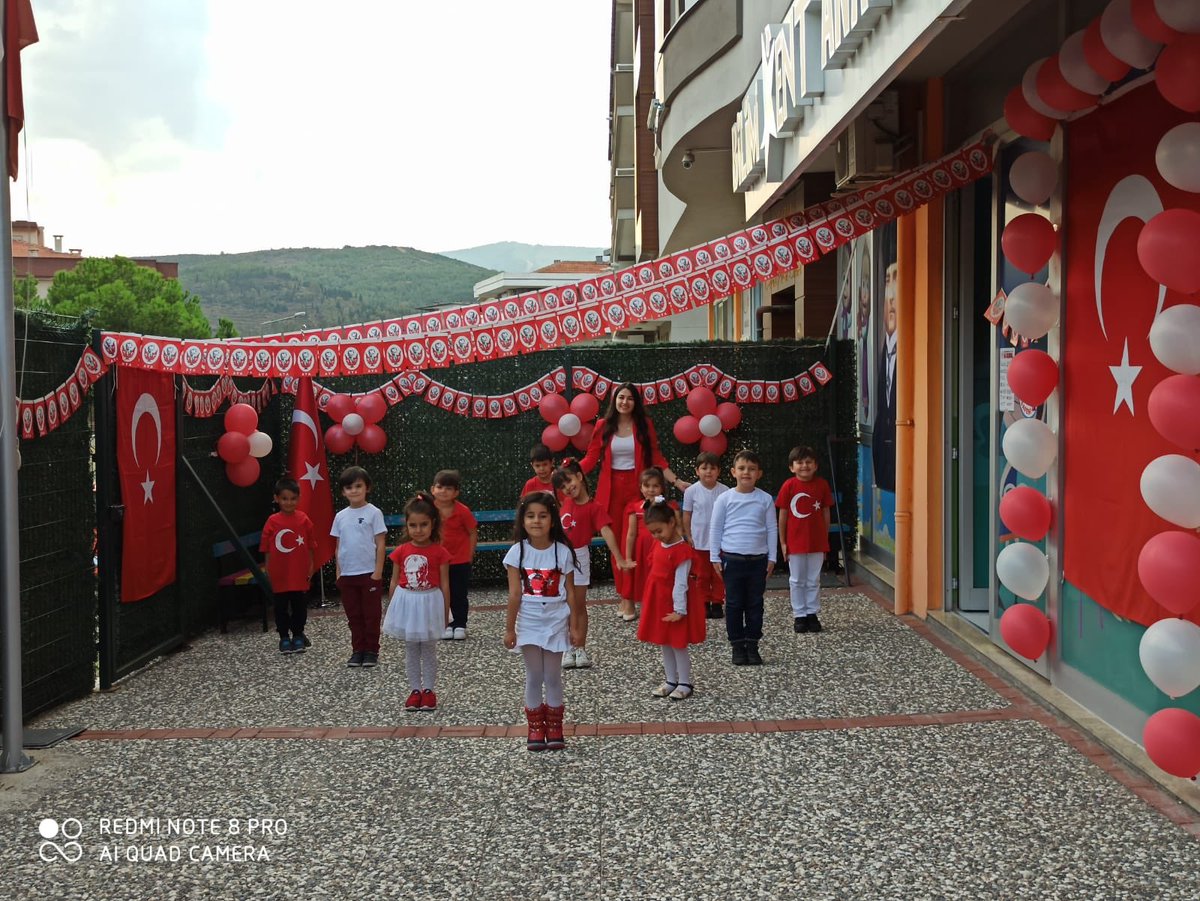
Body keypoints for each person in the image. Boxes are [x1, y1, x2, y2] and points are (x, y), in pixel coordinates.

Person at [580, 382, 686, 617]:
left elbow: (657, 456)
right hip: (612, 492)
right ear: (614, 401)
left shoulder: (644, 425)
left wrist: (677, 481)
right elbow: (590, 458)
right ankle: (626, 597)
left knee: (642, 543)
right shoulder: (602, 426)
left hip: (640, 490)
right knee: (617, 544)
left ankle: (647, 593)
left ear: (635, 403)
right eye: (620, 398)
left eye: (629, 398)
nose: (624, 402)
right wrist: (571, 474)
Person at [503, 493, 583, 752]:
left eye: (543, 515)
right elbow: (515, 593)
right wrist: (509, 628)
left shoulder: (562, 552)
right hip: (528, 621)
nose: (536, 521)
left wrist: (574, 626)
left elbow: (570, 592)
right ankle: (535, 727)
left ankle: (555, 726)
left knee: (552, 676)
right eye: (530, 516)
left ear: (552, 520)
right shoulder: (517, 552)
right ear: (522, 520)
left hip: (556, 620)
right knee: (534, 675)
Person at [551, 457, 635, 668]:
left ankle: (580, 647)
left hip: (579, 557)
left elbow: (606, 531)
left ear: (579, 476)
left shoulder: (594, 507)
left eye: (569, 481)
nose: (568, 488)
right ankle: (566, 648)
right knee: (563, 604)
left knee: (578, 605)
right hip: (559, 557)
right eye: (562, 487)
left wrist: (619, 557)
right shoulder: (563, 504)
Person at [709, 450, 777, 667]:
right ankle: (737, 646)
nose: (746, 472)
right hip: (732, 560)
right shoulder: (724, 499)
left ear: (759, 473)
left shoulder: (765, 499)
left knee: (755, 604)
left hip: (758, 561)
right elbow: (716, 528)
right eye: (742, 468)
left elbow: (772, 529)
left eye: (751, 469)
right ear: (733, 472)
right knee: (735, 604)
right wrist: (714, 557)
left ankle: (753, 644)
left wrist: (772, 558)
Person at [383, 492, 450, 712]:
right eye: (413, 525)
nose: (418, 530)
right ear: (407, 526)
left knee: (429, 649)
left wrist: (445, 611)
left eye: (423, 525)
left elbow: (444, 584)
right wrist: (393, 609)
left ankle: (429, 690)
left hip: (430, 601)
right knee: (411, 649)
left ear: (433, 524)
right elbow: (394, 581)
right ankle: (414, 690)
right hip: (408, 603)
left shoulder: (440, 552)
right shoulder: (400, 551)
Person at [637, 500, 706, 700]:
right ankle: (670, 680)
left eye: (659, 531)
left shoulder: (682, 551)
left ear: (672, 523)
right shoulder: (660, 544)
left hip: (675, 602)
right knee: (664, 642)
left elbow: (681, 583)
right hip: (659, 599)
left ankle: (684, 682)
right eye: (653, 532)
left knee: (678, 643)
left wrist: (680, 610)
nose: (656, 536)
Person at [330, 465, 387, 668]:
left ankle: (371, 650)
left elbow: (380, 543)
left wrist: (378, 571)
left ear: (367, 488)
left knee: (371, 614)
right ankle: (357, 650)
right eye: (348, 487)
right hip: (347, 575)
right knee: (354, 615)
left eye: (358, 486)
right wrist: (339, 572)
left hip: (368, 573)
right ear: (343, 491)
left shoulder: (374, 513)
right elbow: (339, 546)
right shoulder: (340, 516)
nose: (353, 490)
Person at [776, 446, 833, 634]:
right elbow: (783, 515)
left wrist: (825, 539)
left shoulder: (822, 485)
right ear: (792, 467)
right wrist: (783, 542)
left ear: (815, 465)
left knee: (813, 579)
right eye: (800, 462)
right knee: (796, 579)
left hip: (816, 542)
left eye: (808, 462)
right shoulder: (788, 486)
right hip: (795, 542)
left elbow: (826, 512)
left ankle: (812, 613)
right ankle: (799, 614)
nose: (804, 466)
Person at [260, 477, 316, 654]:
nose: (289, 502)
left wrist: (311, 566)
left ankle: (298, 635)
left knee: (300, 606)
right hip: (280, 574)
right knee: (280, 607)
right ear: (277, 498)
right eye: (285, 498)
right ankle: (284, 637)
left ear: (298, 498)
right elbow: (267, 549)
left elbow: (310, 546)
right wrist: (269, 570)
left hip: (298, 573)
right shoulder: (272, 521)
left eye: (293, 498)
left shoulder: (304, 519)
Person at [625, 467, 678, 623]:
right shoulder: (635, 508)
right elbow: (631, 534)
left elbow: (677, 528)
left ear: (662, 488)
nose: (651, 490)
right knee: (646, 580)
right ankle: (648, 610)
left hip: (663, 550)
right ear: (641, 488)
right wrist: (628, 557)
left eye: (655, 486)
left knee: (664, 580)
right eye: (647, 486)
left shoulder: (669, 507)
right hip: (643, 551)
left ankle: (665, 608)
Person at [681, 452, 729, 620]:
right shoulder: (691, 491)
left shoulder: (725, 491)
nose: (708, 471)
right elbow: (687, 514)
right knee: (701, 575)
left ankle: (717, 602)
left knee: (718, 573)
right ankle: (703, 602)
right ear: (697, 471)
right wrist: (688, 535)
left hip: (720, 542)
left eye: (712, 468)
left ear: (719, 471)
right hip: (699, 541)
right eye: (704, 468)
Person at [431, 470, 478, 640]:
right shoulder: (429, 510)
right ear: (432, 489)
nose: (443, 491)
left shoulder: (462, 511)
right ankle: (443, 623)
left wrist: (470, 553)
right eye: (440, 486)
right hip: (436, 561)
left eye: (449, 488)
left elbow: (472, 532)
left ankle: (459, 624)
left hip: (459, 560)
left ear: (456, 492)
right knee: (439, 593)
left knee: (458, 593)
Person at [873, 247, 898, 493]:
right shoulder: (884, 354)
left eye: (897, 278)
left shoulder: (910, 348)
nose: (891, 294)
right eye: (887, 280)